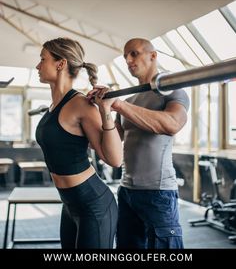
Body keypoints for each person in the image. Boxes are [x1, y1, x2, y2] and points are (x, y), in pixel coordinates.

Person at [88, 37, 189, 249]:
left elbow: (171, 124)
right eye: (125, 56)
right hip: (126, 191)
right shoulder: (131, 99)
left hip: (158, 192)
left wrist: (117, 104)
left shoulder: (173, 90)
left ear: (153, 56)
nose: (128, 60)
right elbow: (113, 137)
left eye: (134, 53)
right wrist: (100, 108)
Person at [35, 37, 123, 249]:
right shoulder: (53, 106)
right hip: (70, 205)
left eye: (42, 59)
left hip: (95, 205)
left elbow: (114, 159)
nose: (37, 66)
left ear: (61, 63)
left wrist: (105, 110)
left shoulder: (81, 105)